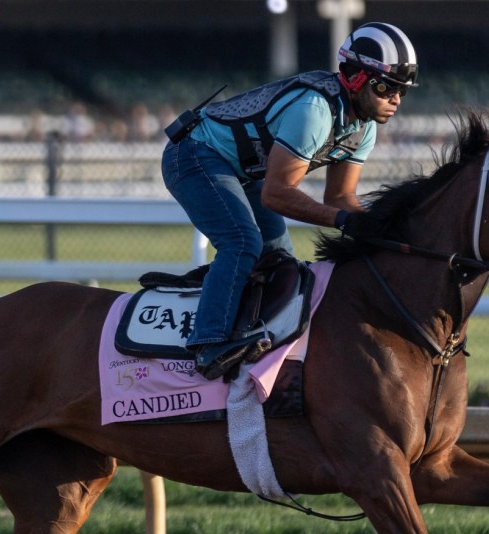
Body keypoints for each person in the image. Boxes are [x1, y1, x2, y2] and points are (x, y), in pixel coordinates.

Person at [161, 21, 418, 379]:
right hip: (193, 155)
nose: (396, 100)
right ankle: (208, 342)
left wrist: (382, 230)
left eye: (402, 91)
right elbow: (277, 194)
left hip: (242, 171)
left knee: (281, 262)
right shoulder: (313, 111)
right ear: (356, 79)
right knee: (242, 242)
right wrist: (342, 222)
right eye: (386, 88)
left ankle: (251, 332)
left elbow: (341, 197)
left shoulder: (365, 128)